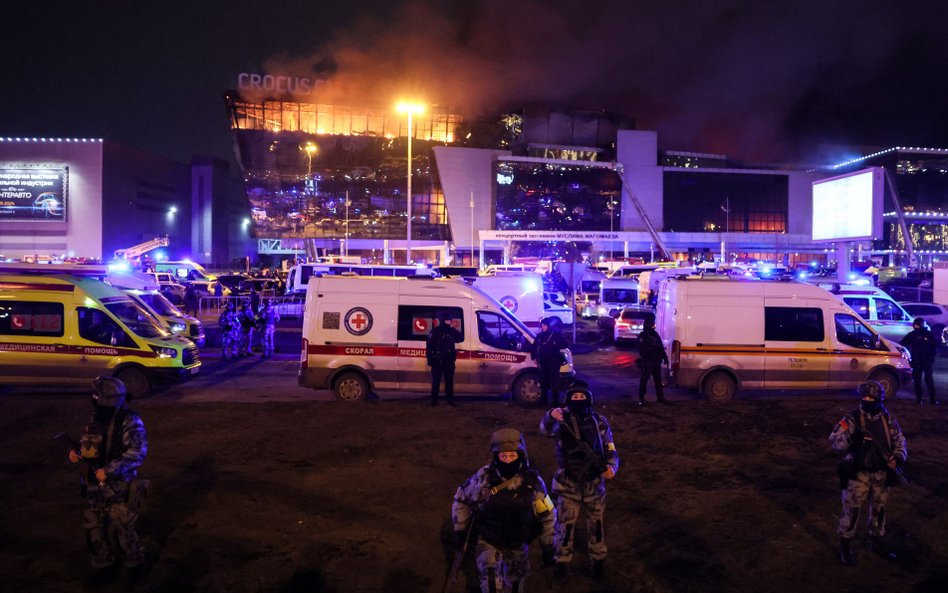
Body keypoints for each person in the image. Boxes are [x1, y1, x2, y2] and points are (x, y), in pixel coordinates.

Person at [452, 429, 556, 593]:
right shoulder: (483, 479)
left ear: (520, 455)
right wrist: (460, 529)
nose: (508, 461)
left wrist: (549, 546)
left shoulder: (532, 482)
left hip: (518, 543)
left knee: (515, 585)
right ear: (495, 456)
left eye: (512, 456)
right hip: (489, 541)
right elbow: (461, 499)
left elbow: (548, 515)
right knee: (491, 586)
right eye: (503, 456)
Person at [67, 377, 148, 584]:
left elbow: (137, 452)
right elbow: (93, 445)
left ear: (106, 398)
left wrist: (110, 470)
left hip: (119, 484)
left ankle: (135, 567)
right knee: (95, 528)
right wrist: (78, 453)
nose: (92, 398)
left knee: (124, 528)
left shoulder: (130, 420)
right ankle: (104, 565)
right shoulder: (98, 416)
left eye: (96, 395)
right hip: (95, 484)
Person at [539, 381, 619, 583]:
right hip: (568, 485)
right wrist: (550, 415)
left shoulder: (599, 421)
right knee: (564, 527)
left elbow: (610, 448)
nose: (578, 400)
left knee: (597, 527)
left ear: (589, 398)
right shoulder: (561, 420)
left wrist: (612, 467)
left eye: (582, 397)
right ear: (568, 399)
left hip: (594, 484)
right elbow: (544, 429)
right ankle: (562, 564)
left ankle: (598, 562)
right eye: (574, 397)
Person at [830, 380, 907, 565]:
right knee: (852, 511)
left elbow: (900, 441)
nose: (868, 401)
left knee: (879, 510)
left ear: (880, 399)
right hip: (858, 473)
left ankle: (876, 541)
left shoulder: (887, 419)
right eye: (865, 398)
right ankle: (845, 548)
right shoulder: (852, 418)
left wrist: (898, 457)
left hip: (881, 474)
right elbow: (834, 441)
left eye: (872, 398)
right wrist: (852, 438)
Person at [426, 311, 462, 406]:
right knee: (436, 381)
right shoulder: (435, 331)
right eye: (448, 320)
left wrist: (452, 330)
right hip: (438, 360)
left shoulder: (451, 331)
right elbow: (429, 346)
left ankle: (449, 400)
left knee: (449, 381)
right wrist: (430, 359)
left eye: (450, 320)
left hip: (448, 360)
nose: (450, 321)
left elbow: (460, 337)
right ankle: (434, 400)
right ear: (443, 320)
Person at [900, 317, 939, 405]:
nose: (916, 327)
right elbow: (902, 344)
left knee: (927, 380)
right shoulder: (913, 335)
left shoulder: (928, 335)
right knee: (918, 381)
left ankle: (931, 399)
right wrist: (907, 355)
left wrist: (931, 358)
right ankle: (920, 400)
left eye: (917, 325)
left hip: (926, 361)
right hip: (917, 361)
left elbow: (935, 347)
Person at [532, 317, 568, 406]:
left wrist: (554, 344)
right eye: (542, 326)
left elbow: (565, 344)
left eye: (544, 325)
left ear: (548, 326)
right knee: (543, 381)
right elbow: (533, 347)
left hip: (554, 362)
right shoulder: (540, 336)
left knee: (554, 382)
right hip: (543, 362)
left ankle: (555, 401)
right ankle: (543, 400)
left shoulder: (556, 335)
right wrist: (534, 357)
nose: (542, 327)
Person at [636, 313, 668, 405]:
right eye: (652, 324)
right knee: (644, 381)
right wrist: (651, 349)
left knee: (658, 380)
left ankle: (660, 398)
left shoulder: (655, 334)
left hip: (656, 361)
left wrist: (664, 357)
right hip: (647, 361)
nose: (653, 326)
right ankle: (641, 399)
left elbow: (660, 347)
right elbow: (641, 348)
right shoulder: (643, 335)